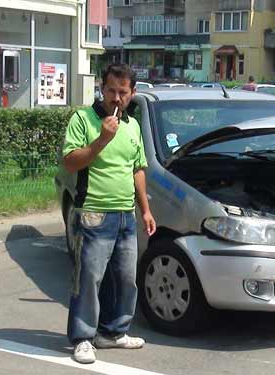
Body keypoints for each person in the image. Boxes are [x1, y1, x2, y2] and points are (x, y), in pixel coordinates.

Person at [63, 63, 157, 364]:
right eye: (111, 91)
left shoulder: (132, 126)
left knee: (126, 279)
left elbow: (138, 169)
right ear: (102, 89)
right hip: (92, 212)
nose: (117, 98)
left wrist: (145, 210)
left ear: (133, 93)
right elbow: (70, 162)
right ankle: (82, 337)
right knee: (89, 278)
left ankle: (113, 332)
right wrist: (101, 139)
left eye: (123, 92)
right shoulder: (83, 119)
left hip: (125, 215)